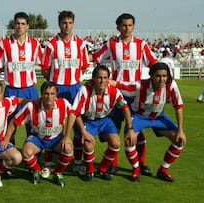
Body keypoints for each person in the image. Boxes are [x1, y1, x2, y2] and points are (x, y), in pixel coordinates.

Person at [93, 13, 158, 175]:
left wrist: (152, 84)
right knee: (114, 129)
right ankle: (112, 163)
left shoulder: (141, 45)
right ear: (118, 27)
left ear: (133, 26)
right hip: (116, 95)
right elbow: (96, 58)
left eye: (130, 25)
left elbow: (154, 64)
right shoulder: (112, 44)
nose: (127, 28)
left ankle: (141, 164)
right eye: (124, 25)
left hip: (136, 95)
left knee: (138, 131)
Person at [109, 62, 186, 182]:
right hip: (139, 116)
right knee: (129, 139)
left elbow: (178, 107)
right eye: (158, 76)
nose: (162, 80)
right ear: (151, 76)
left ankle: (163, 170)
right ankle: (136, 169)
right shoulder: (141, 86)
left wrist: (180, 130)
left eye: (164, 76)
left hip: (159, 117)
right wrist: (98, 81)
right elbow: (120, 85)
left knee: (179, 140)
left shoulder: (171, 85)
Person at [41, 10, 90, 176]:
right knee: (51, 125)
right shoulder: (51, 44)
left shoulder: (81, 44)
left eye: (70, 22)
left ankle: (76, 163)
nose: (67, 25)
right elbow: (46, 69)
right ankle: (47, 164)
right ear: (59, 24)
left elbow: (84, 66)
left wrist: (73, 79)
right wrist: (56, 83)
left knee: (76, 126)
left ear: (73, 24)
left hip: (75, 88)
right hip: (57, 89)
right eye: (64, 22)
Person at [64, 65, 134, 181]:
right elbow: (74, 113)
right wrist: (77, 133)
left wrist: (130, 128)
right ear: (93, 78)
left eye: (105, 78)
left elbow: (125, 108)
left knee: (116, 143)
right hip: (88, 121)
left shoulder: (114, 91)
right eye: (99, 77)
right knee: (88, 144)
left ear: (108, 80)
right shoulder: (85, 90)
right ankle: (90, 171)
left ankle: (102, 169)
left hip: (105, 120)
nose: (102, 81)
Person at [2, 81, 74, 187]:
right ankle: (37, 170)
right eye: (46, 93)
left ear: (56, 95)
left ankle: (57, 173)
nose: (49, 97)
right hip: (38, 139)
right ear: (41, 94)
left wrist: (68, 136)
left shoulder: (64, 104)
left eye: (52, 93)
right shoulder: (32, 106)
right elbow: (14, 121)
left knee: (68, 149)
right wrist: (7, 139)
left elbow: (74, 115)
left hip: (56, 138)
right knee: (26, 152)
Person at [0, 12, 42, 149]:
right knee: (9, 127)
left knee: (33, 126)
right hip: (11, 90)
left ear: (27, 26)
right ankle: (8, 161)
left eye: (23, 24)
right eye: (17, 23)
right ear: (14, 25)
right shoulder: (4, 44)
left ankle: (30, 159)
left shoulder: (35, 44)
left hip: (30, 90)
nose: (20, 26)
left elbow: (44, 65)